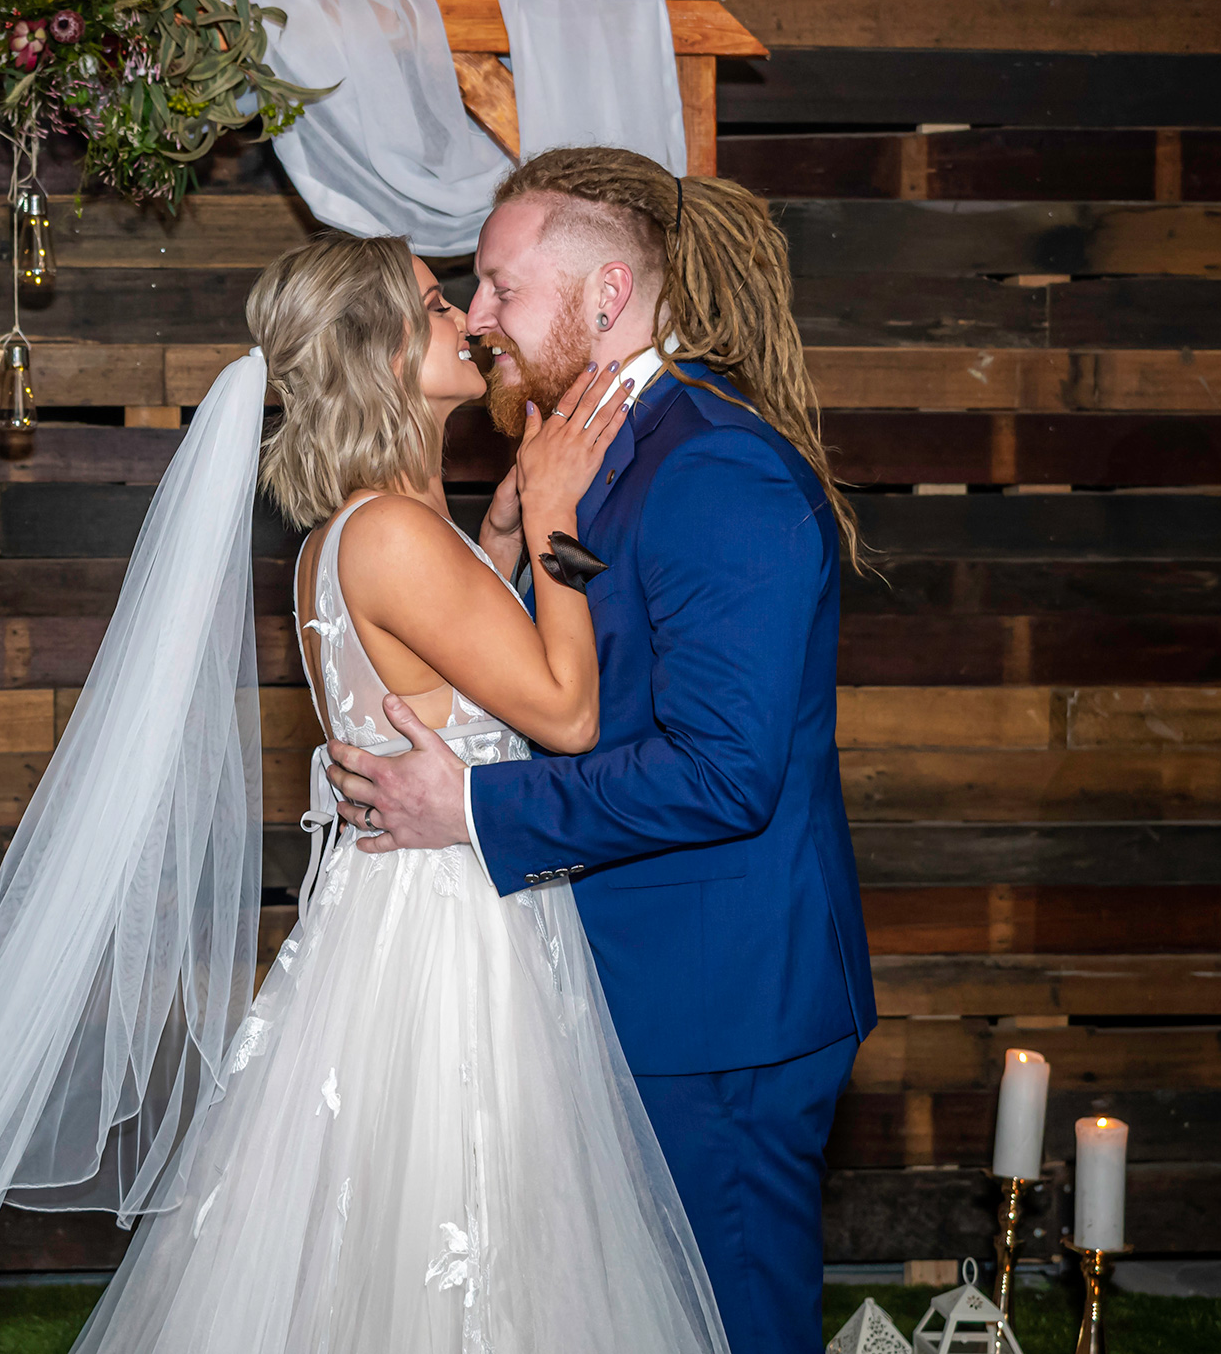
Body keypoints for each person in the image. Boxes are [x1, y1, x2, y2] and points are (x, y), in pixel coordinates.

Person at [0, 231, 728, 1354]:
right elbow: (565, 715)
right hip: (446, 941)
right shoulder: (395, 534)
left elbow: (454, 692)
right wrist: (554, 520)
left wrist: (497, 540)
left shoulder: (349, 535)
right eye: (433, 301)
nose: (465, 318)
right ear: (380, 350)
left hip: (419, 911)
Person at [323, 146, 878, 1354]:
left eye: (500, 288)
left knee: (722, 1324)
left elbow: (721, 770)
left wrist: (469, 808)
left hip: (718, 1000)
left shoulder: (713, 467)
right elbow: (562, 676)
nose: (477, 319)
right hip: (616, 976)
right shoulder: (583, 455)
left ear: (605, 296)